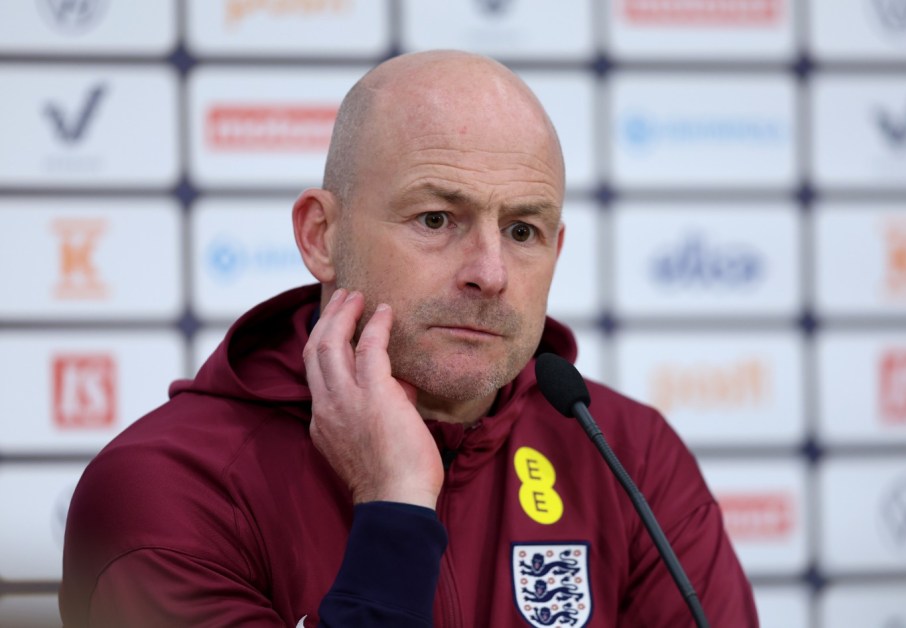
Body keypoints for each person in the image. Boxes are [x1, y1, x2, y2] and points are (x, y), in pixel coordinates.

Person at [60, 50, 758, 627]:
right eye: (435, 218)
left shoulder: (626, 455)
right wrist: (393, 504)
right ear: (320, 237)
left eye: (522, 231)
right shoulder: (170, 490)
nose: (490, 273)